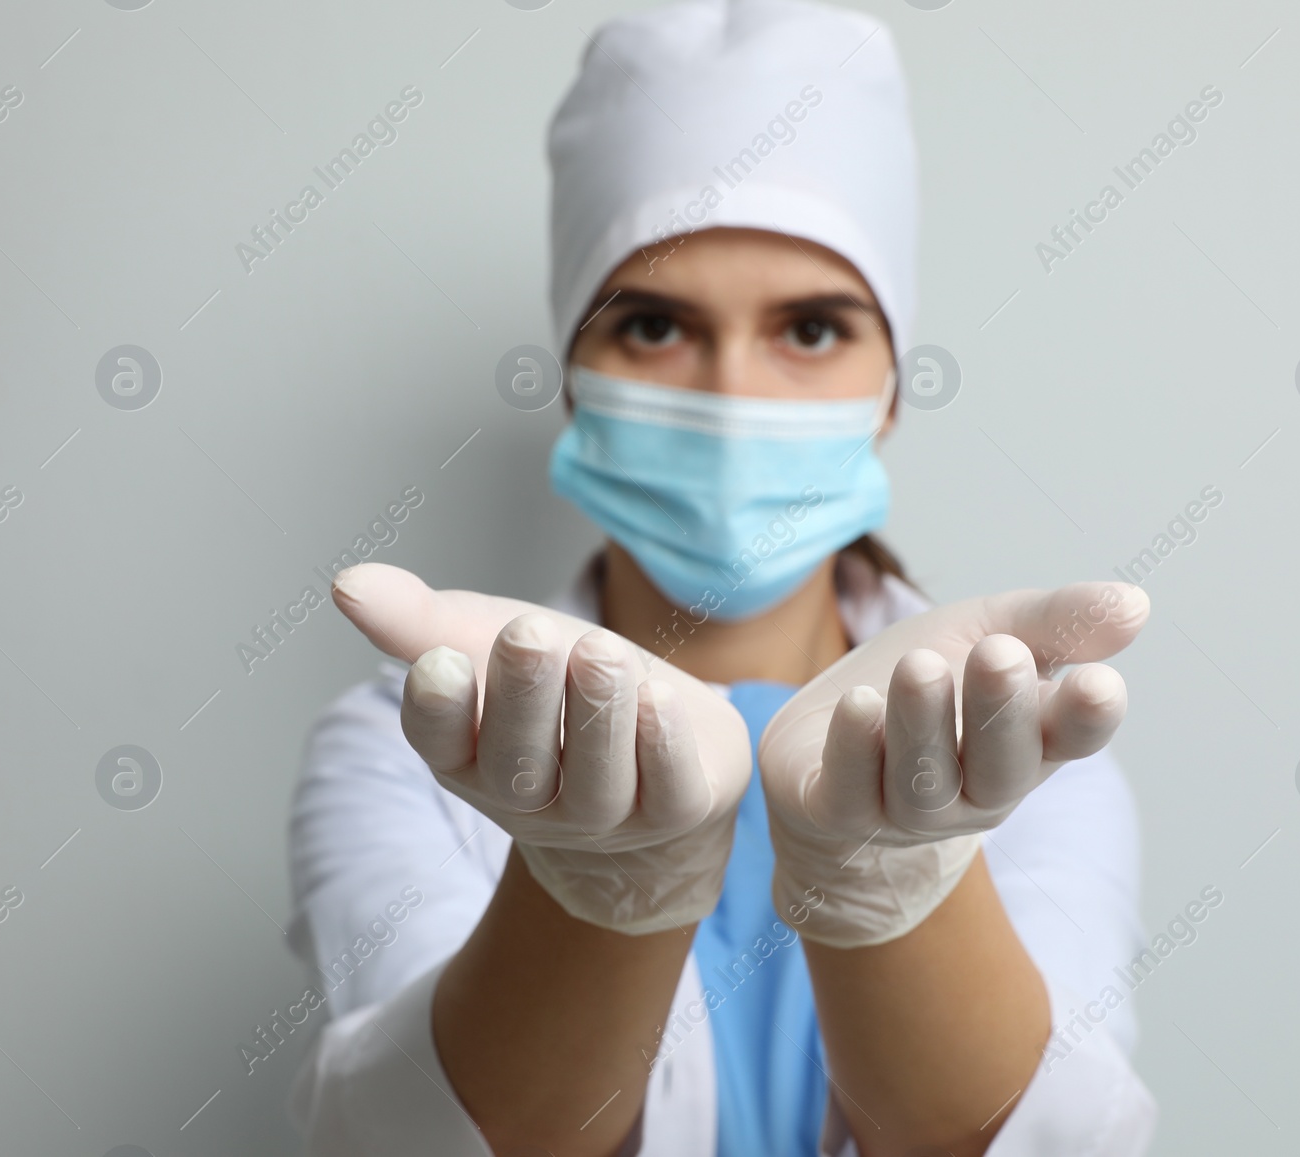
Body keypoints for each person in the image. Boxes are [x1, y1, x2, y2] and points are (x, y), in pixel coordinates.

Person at [284, 0, 1158, 1153]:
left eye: (809, 330)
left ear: (889, 387)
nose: (730, 392)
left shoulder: (1015, 742)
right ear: (572, 376)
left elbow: (1052, 1137)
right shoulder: (406, 744)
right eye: (652, 324)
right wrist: (598, 878)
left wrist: (894, 873)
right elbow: (415, 1137)